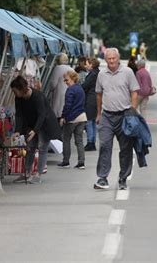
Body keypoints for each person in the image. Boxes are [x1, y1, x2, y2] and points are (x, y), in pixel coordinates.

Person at [94, 48, 140, 190]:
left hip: (124, 115)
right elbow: (99, 95)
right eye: (109, 58)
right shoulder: (102, 74)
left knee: (125, 148)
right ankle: (102, 177)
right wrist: (99, 113)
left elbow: (134, 92)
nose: (112, 61)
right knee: (104, 146)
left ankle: (122, 178)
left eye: (114, 58)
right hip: (107, 115)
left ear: (118, 58)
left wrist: (132, 111)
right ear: (105, 59)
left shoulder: (127, 72)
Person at [11, 75, 61, 184]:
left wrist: (35, 130)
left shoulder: (37, 96)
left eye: (15, 91)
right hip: (30, 123)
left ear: (21, 89)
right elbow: (19, 114)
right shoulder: (18, 98)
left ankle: (38, 174)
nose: (14, 93)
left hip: (44, 123)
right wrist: (17, 130)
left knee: (42, 147)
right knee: (30, 148)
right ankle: (27, 173)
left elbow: (42, 114)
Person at [59, 71, 87, 169]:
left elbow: (68, 105)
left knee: (66, 139)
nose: (65, 82)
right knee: (79, 140)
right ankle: (81, 162)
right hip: (82, 116)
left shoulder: (70, 90)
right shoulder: (80, 88)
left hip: (72, 118)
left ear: (72, 78)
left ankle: (66, 161)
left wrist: (63, 116)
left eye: (66, 80)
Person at [48, 53, 74, 120]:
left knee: (57, 115)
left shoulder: (57, 68)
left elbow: (53, 84)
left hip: (58, 95)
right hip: (69, 95)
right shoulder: (72, 69)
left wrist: (50, 89)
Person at [82, 58, 100, 151]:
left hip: (90, 99)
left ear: (91, 65)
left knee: (89, 121)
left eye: (87, 64)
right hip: (96, 99)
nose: (86, 66)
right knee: (93, 122)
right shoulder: (98, 73)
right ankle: (93, 141)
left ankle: (90, 142)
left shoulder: (92, 74)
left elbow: (85, 85)